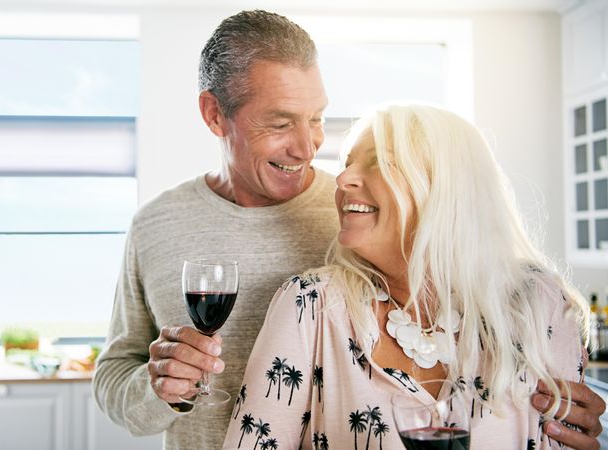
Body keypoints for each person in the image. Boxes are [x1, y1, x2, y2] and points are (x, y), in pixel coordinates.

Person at [92, 10, 605, 450]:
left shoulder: (365, 213)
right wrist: (159, 387)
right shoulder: (155, 226)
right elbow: (116, 371)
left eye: (316, 118)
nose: (308, 145)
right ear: (214, 115)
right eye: (279, 122)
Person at [221, 103, 602, 450]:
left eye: (378, 163)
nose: (342, 180)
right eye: (348, 164)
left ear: (445, 188)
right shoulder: (311, 305)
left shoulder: (541, 303)